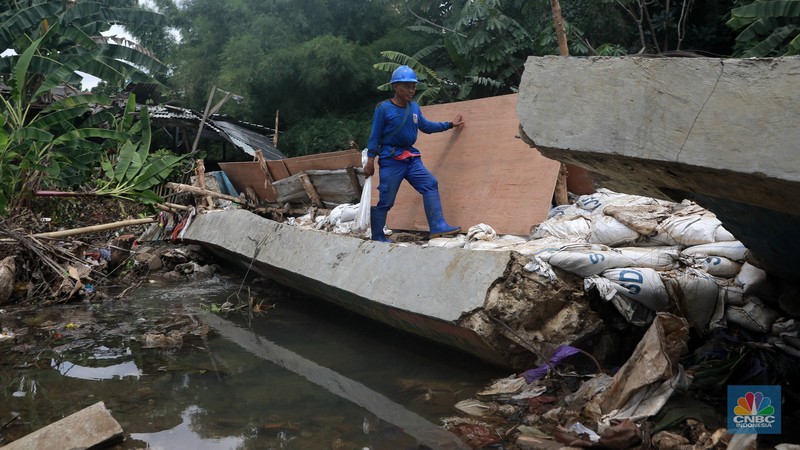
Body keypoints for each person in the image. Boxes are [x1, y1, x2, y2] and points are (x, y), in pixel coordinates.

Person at [364, 65, 464, 243]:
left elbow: (426, 127)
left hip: (410, 158)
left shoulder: (414, 108)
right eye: (407, 86)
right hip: (391, 159)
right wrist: (370, 161)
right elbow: (374, 137)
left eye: (413, 86)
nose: (412, 90)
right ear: (395, 87)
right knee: (386, 200)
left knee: (430, 183)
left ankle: (437, 226)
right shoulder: (384, 108)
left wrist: (450, 124)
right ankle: (378, 236)